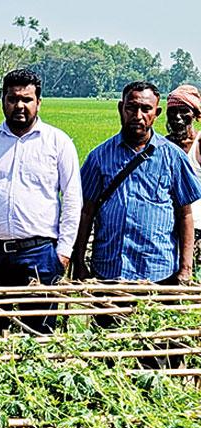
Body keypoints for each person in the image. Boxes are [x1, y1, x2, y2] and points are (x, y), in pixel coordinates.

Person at [0, 68, 82, 334]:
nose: (20, 106)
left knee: (39, 335)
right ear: (3, 100)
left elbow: (73, 200)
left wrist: (63, 253)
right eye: (13, 98)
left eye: (27, 99)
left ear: (39, 102)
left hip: (39, 253)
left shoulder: (57, 142)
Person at [72, 81, 199, 286]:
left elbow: (185, 214)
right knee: (106, 319)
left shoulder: (173, 157)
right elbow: (86, 212)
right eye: (131, 107)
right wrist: (78, 261)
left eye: (146, 109)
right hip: (109, 270)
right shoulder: (99, 157)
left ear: (156, 113)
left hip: (159, 271)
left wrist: (185, 268)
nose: (138, 115)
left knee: (156, 319)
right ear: (121, 108)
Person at [164, 84, 201, 272]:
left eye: (184, 111)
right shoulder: (162, 145)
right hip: (169, 228)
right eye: (172, 112)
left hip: (198, 227)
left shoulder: (199, 144)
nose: (177, 117)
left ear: (195, 114)